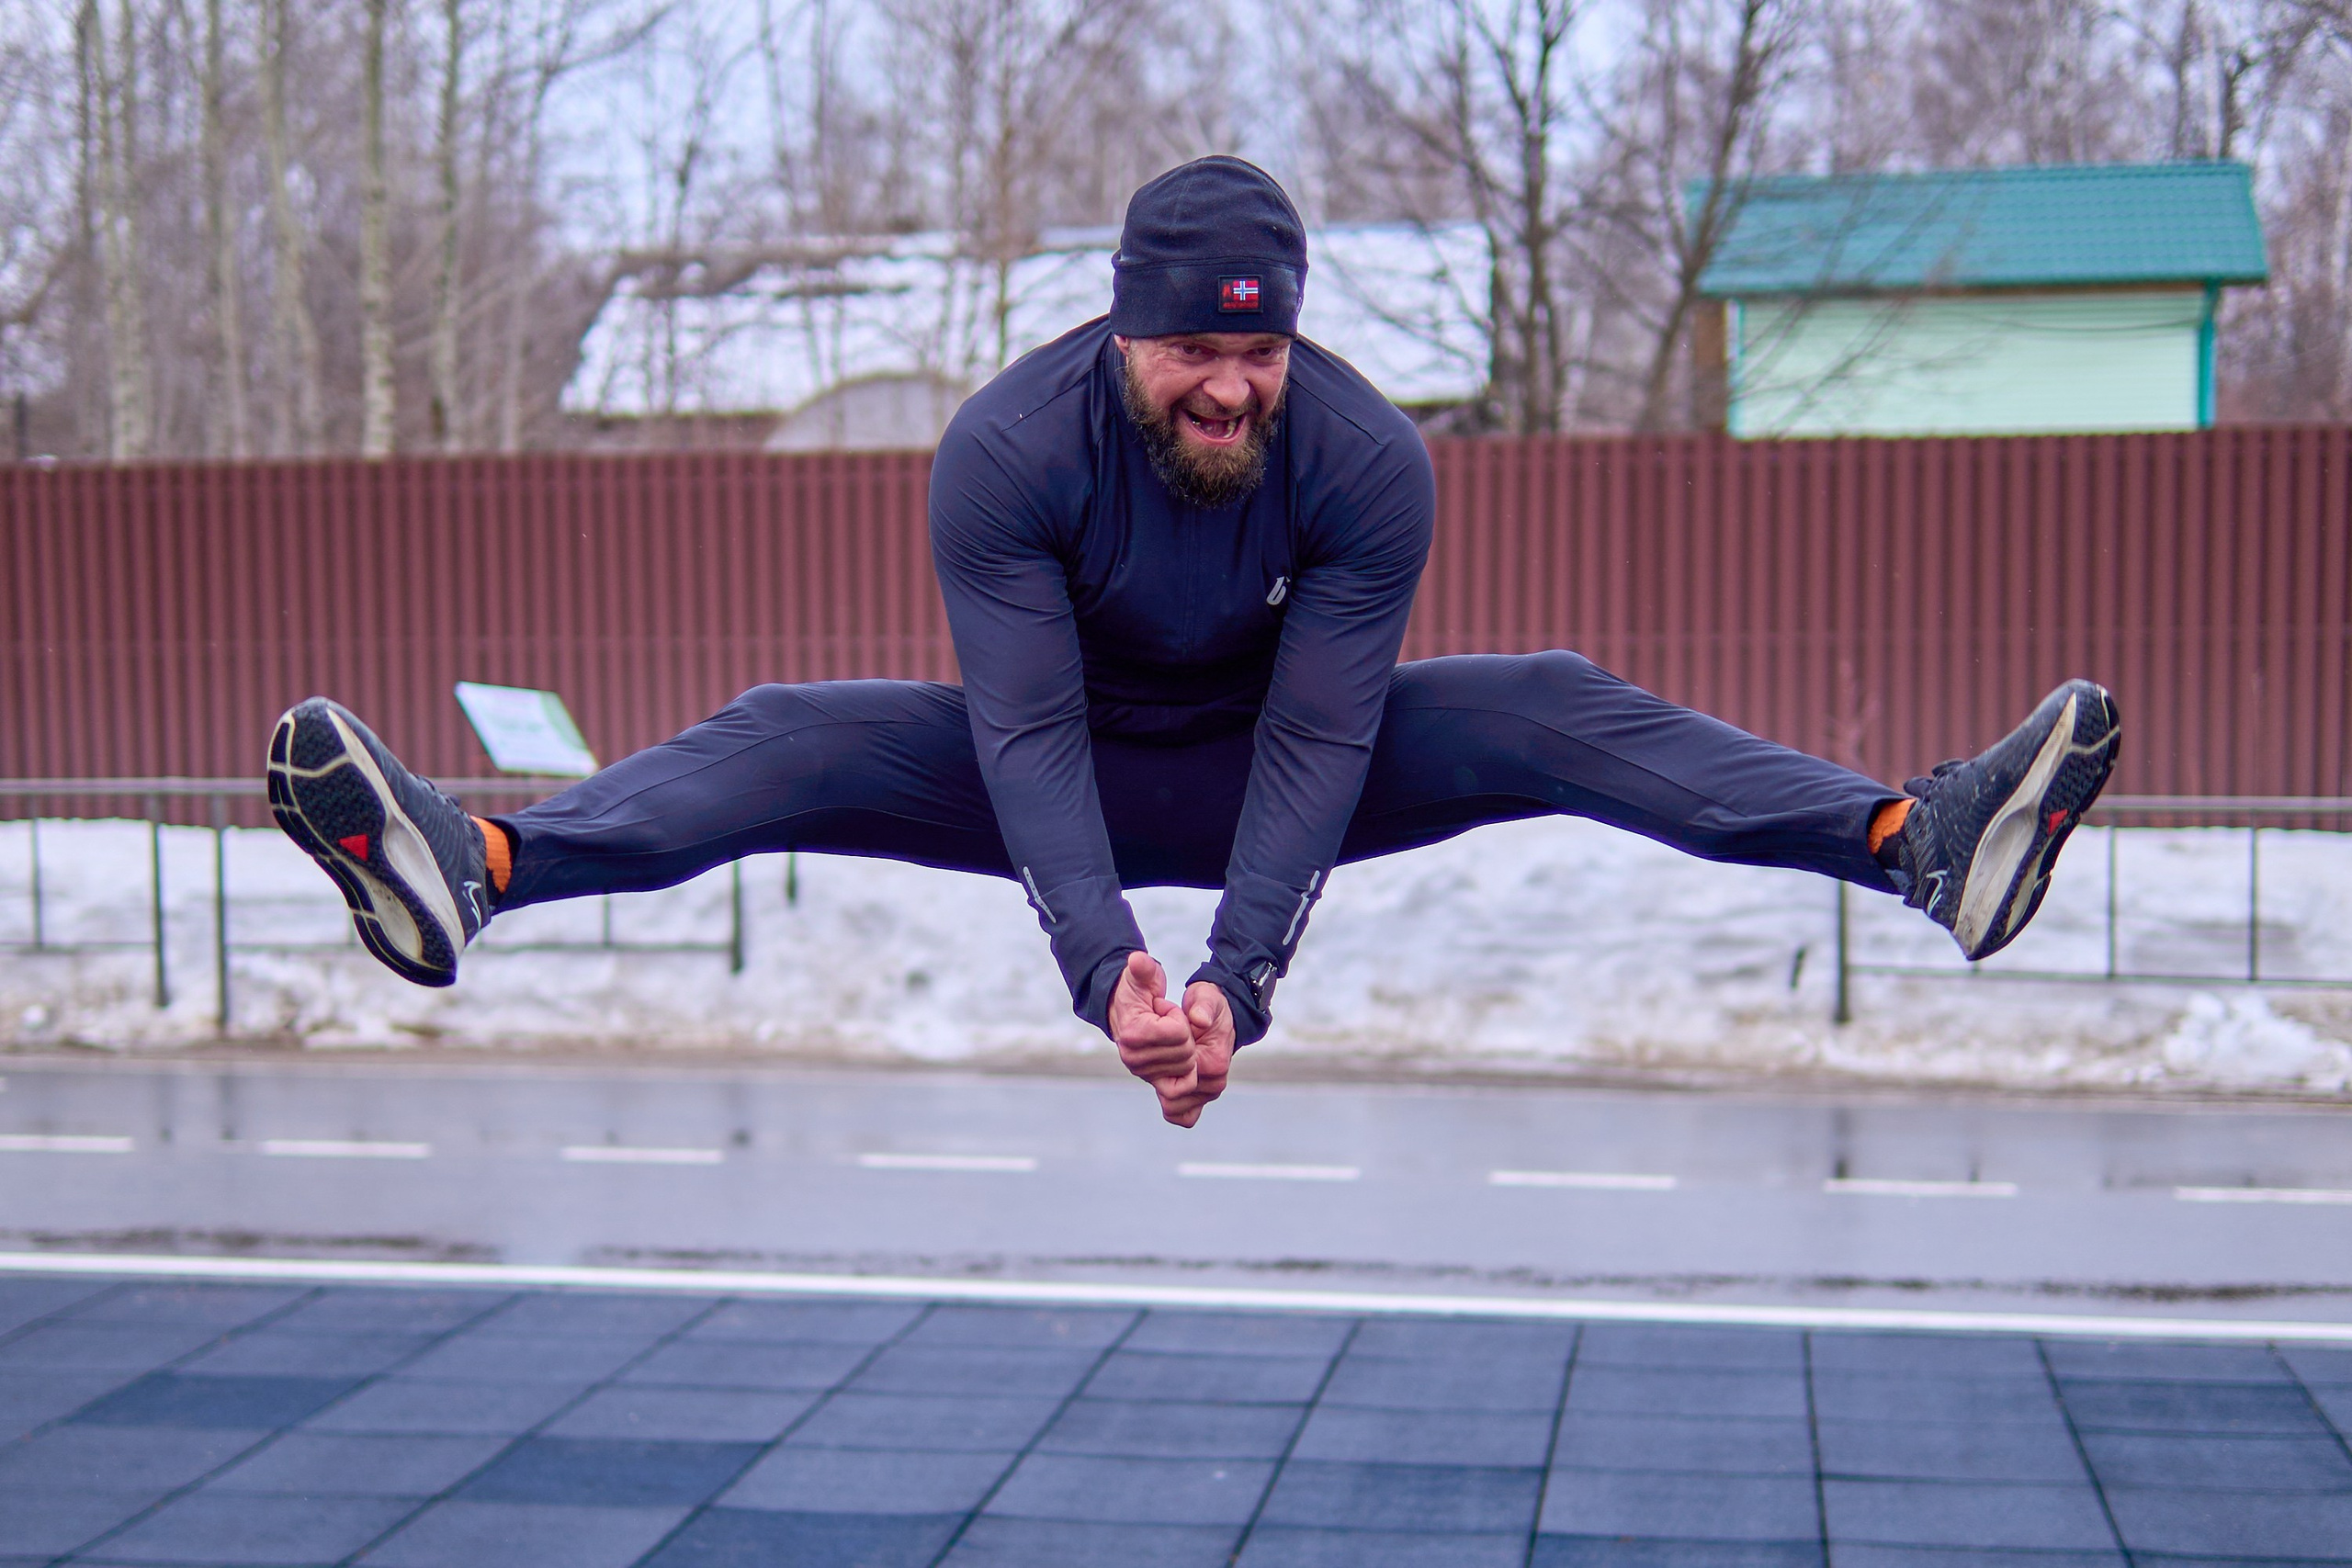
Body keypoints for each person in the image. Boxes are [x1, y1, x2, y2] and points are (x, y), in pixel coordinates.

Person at [266, 156, 2119, 1128]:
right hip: (1041, 761)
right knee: (787, 732)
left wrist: (1233, 974)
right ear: (1124, 331)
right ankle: (477, 861)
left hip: (1269, 767)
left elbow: (1322, 740)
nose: (1230, 384)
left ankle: (1918, 844)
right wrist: (1105, 972)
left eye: (1261, 349)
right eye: (1193, 350)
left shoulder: (1362, 458)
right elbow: (1024, 738)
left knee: (1546, 704)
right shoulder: (1005, 450)